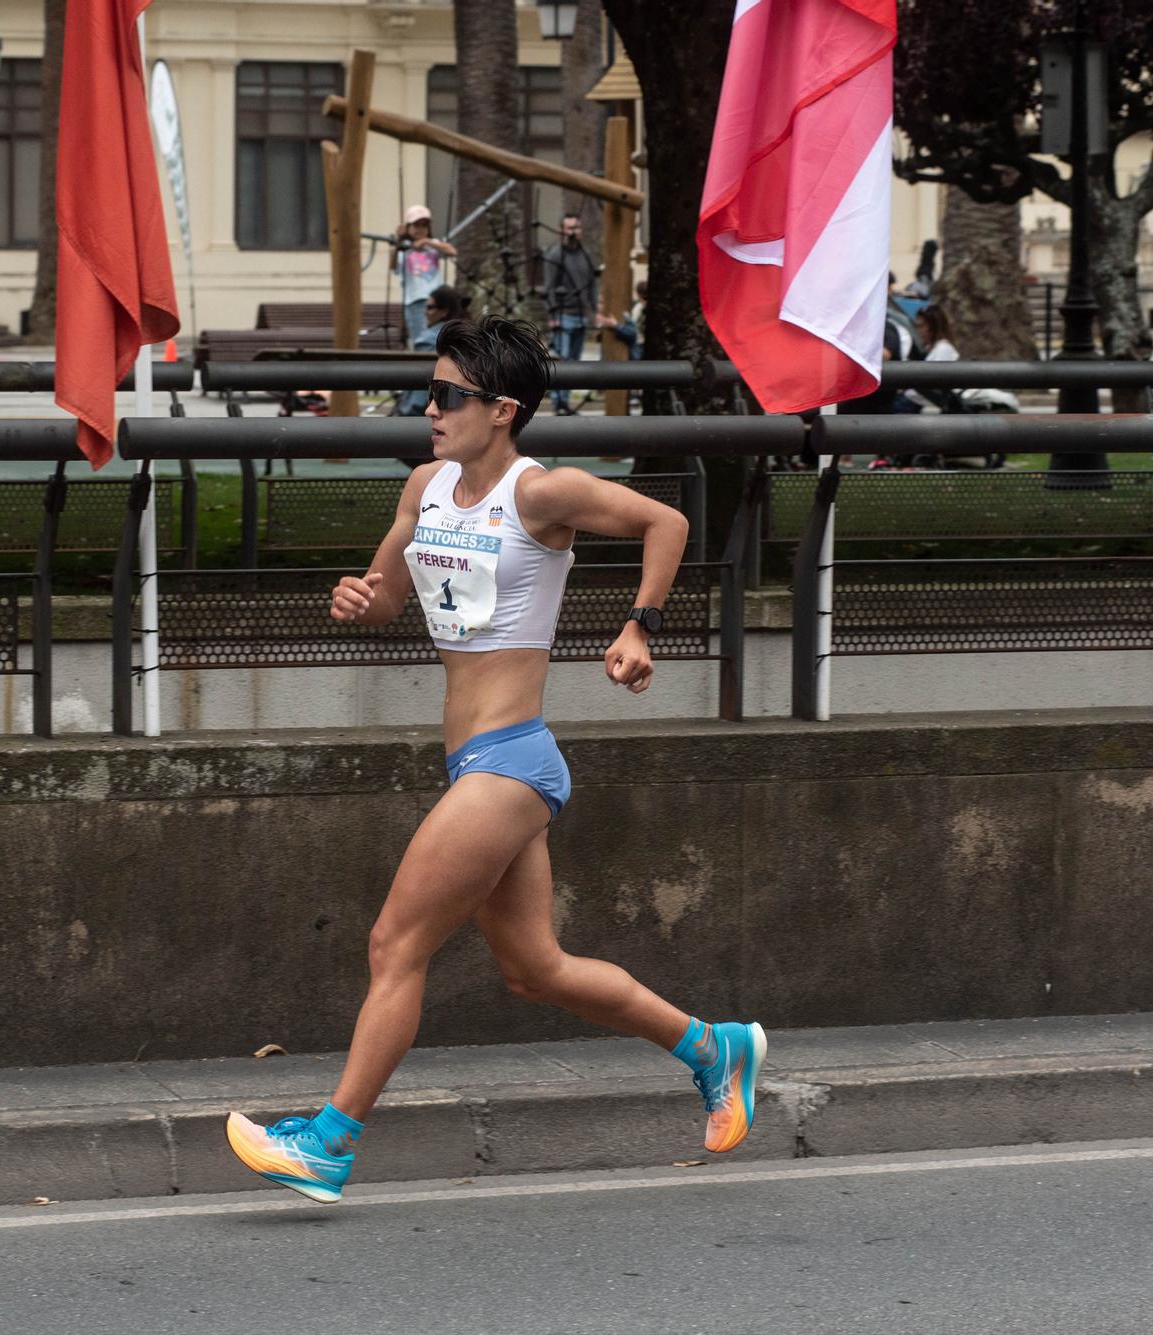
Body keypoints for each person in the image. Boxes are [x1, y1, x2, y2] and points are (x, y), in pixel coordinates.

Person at [223, 316, 768, 1205]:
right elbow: (388, 596)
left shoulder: (540, 494)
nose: (429, 410)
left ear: (502, 410)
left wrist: (641, 625)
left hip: (512, 761)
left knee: (395, 942)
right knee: (535, 970)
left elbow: (665, 521)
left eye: (447, 396)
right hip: (473, 759)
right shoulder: (425, 487)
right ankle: (716, 1048)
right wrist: (357, 599)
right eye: (428, 393)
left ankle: (330, 1140)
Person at [541, 213, 599, 414]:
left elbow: (592, 284)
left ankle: (564, 402)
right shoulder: (555, 254)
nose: (573, 232)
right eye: (569, 228)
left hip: (581, 314)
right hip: (563, 314)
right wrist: (553, 315)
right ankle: (559, 404)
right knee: (562, 361)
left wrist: (594, 310)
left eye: (576, 228)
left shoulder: (586, 254)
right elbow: (548, 287)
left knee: (574, 361)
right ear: (561, 230)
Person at [394, 284, 467, 417]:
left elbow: (419, 390)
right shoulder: (464, 335)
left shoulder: (427, 340)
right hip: (458, 411)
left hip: (424, 415)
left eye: (430, 307)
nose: (425, 312)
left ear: (444, 311)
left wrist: (404, 413)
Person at [394, 205, 456, 344]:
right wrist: (398, 241)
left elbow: (452, 251)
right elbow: (393, 266)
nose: (420, 229)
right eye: (416, 225)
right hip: (414, 301)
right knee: (421, 339)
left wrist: (427, 241)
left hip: (436, 301)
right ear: (408, 227)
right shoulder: (404, 248)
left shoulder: (432, 245)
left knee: (440, 338)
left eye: (424, 225)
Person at [595, 279, 647, 361]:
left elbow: (633, 334)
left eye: (601, 302)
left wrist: (616, 325)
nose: (599, 306)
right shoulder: (604, 317)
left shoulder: (624, 315)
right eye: (598, 302)